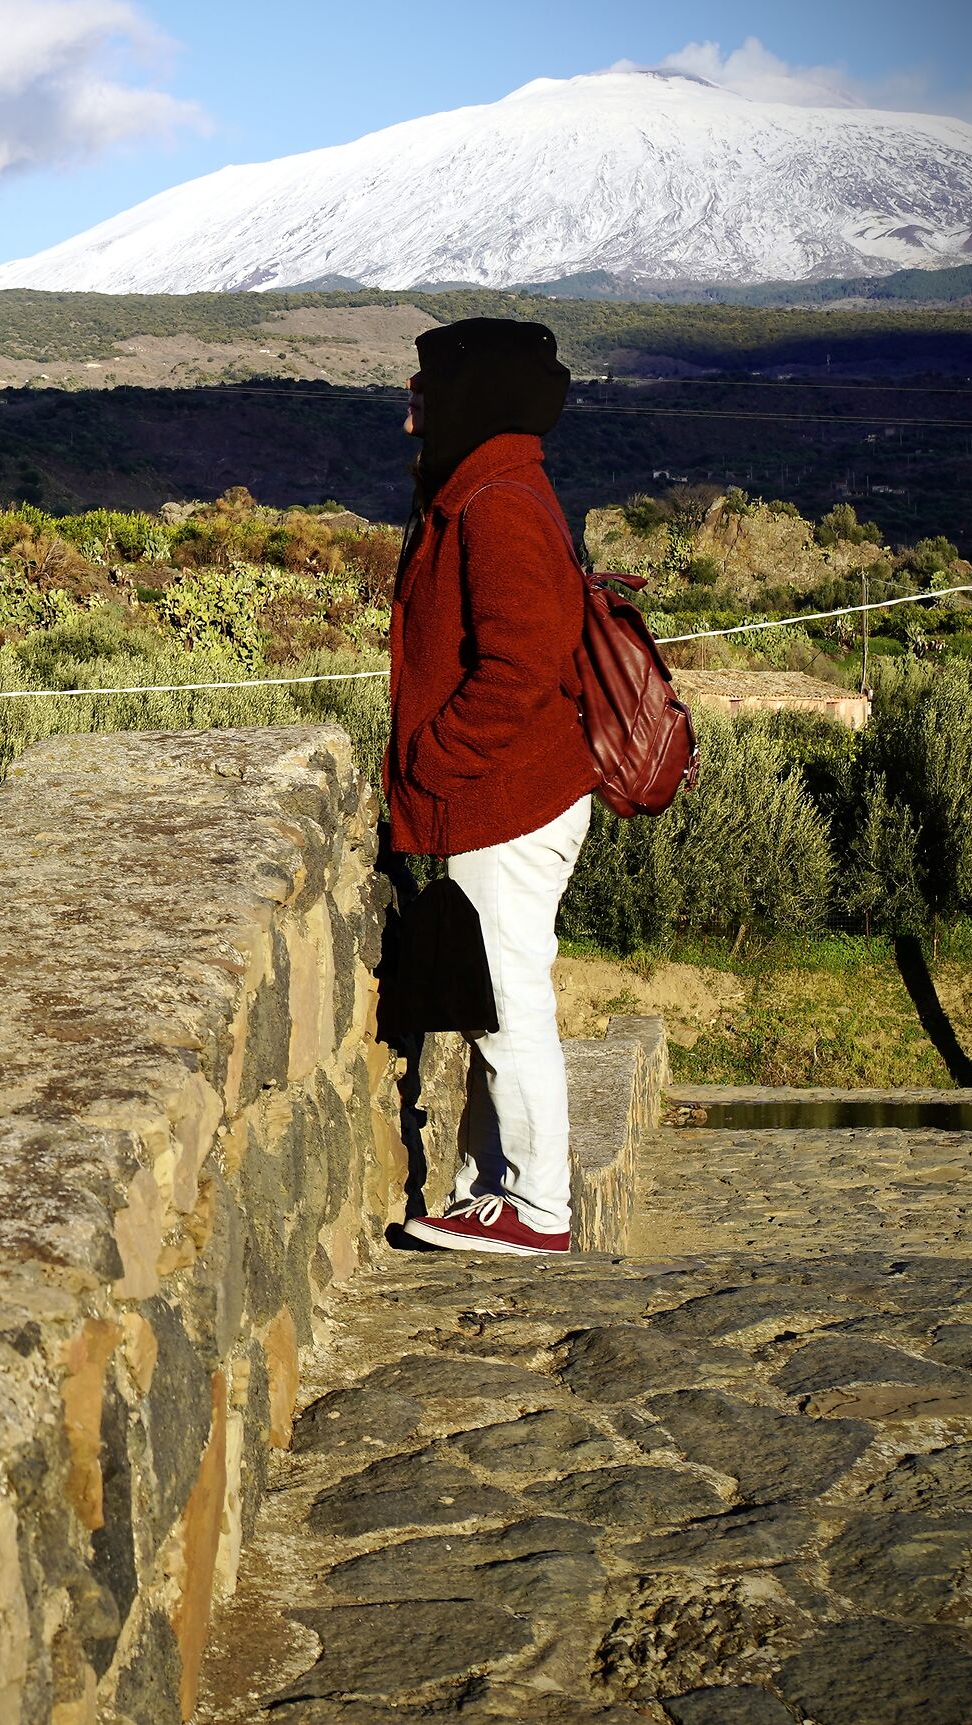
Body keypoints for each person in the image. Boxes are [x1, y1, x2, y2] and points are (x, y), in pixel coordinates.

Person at [386, 317, 598, 1256]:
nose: (408, 418)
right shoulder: (493, 486)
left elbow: (519, 664)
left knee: (510, 1002)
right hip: (506, 796)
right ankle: (492, 1193)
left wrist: (433, 760)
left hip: (506, 799)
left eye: (423, 398)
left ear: (465, 400)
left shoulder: (497, 501)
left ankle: (541, 1206)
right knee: (492, 1002)